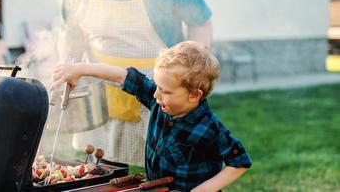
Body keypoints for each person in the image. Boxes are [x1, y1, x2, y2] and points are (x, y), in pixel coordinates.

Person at [57, 0, 212, 166]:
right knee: (105, 170)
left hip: (159, 89)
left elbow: (200, 21)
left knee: (166, 169)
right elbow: (71, 32)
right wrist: (68, 63)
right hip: (104, 91)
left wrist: (194, 74)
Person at [52, 41, 252, 192]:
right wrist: (79, 69)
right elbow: (123, 76)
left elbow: (239, 161)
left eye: (165, 91)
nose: (156, 95)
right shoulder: (161, 103)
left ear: (194, 95)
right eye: (157, 87)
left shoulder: (209, 127)